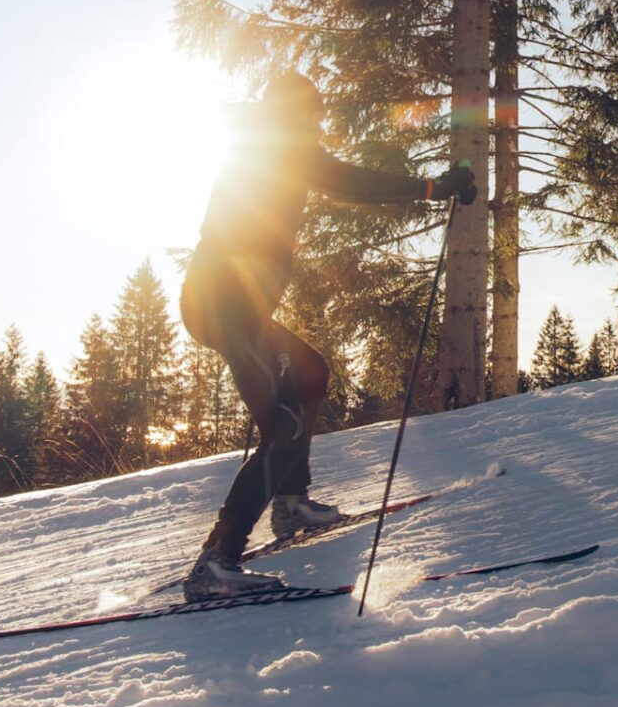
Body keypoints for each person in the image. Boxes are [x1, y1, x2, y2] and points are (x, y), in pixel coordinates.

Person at [178, 73, 476, 600]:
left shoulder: (268, 148)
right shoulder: (278, 149)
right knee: (283, 426)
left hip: (231, 305)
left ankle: (291, 504)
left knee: (311, 372)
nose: (315, 121)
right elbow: (351, 182)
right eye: (309, 113)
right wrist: (432, 188)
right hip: (226, 307)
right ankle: (216, 563)